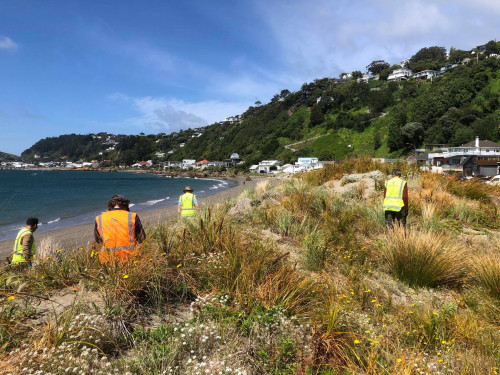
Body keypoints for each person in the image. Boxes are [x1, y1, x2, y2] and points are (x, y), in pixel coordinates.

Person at [94, 195, 146, 263]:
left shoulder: (99, 218)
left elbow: (98, 240)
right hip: (130, 259)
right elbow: (142, 238)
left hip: (107, 260)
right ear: (126, 206)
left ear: (110, 207)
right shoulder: (132, 216)